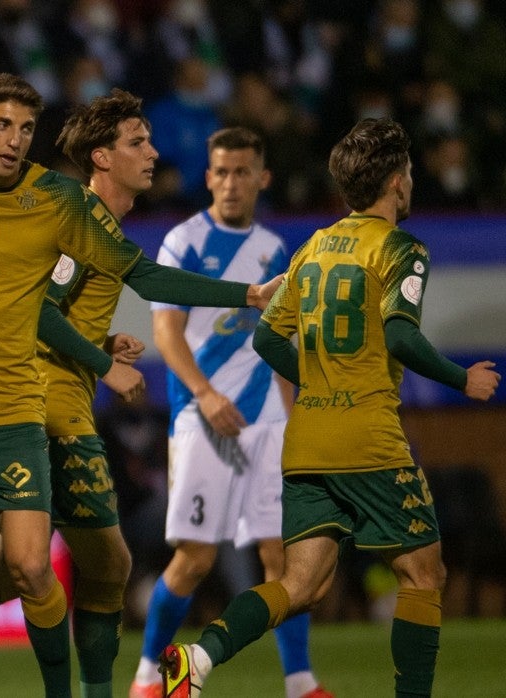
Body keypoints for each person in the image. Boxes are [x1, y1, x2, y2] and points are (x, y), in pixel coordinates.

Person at [0, 76, 279, 698]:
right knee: (89, 565)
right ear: (103, 157)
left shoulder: (76, 214)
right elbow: (39, 307)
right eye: (138, 143)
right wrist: (102, 360)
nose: (153, 155)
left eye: (26, 128)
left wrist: (103, 345)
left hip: (35, 403)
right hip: (49, 409)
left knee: (14, 571)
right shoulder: (63, 210)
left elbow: (74, 292)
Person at [160, 118, 501, 698]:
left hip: (307, 439)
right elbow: (399, 336)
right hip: (368, 438)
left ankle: (199, 657)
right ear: (396, 182)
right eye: (410, 174)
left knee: (302, 584)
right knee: (423, 574)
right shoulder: (401, 249)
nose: (412, 183)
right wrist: (458, 377)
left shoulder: (314, 246)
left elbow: (267, 339)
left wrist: (315, 382)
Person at [129, 127, 331, 698]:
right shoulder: (183, 242)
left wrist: (296, 426)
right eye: (222, 171)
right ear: (208, 177)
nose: (232, 183)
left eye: (243, 172)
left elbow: (283, 346)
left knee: (282, 556)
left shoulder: (275, 250)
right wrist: (206, 394)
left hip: (267, 420)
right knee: (194, 559)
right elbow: (166, 334)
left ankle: (299, 682)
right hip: (201, 418)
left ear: (262, 178)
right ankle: (149, 675)